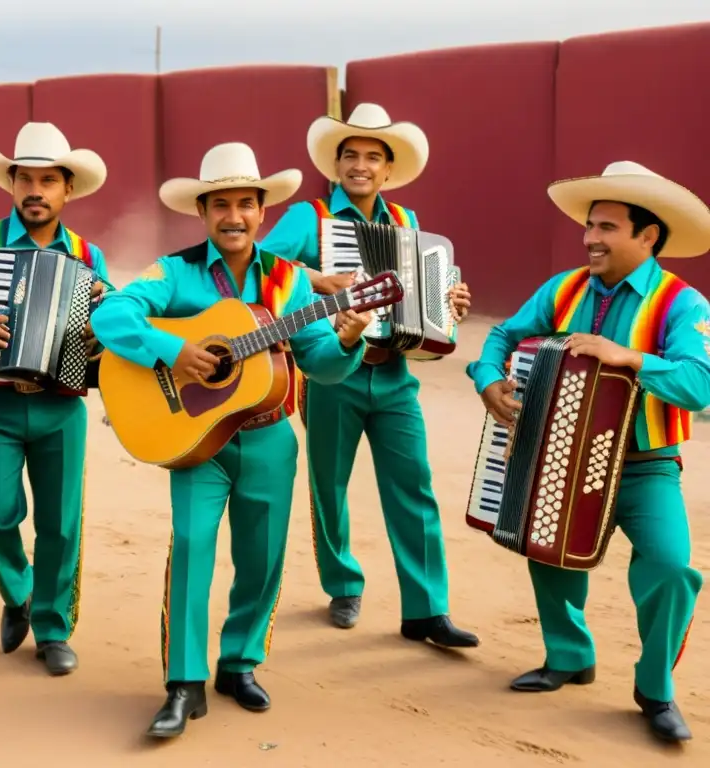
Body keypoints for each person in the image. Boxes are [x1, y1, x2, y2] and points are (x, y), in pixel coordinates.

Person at [90, 142, 374, 738]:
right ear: (203, 211)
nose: (234, 216)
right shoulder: (174, 272)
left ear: (262, 211)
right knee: (192, 549)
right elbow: (111, 317)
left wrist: (347, 338)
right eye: (221, 204)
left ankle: (240, 664)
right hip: (199, 440)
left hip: (270, 437)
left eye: (246, 203)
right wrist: (177, 350)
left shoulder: (293, 281)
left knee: (262, 558)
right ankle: (182, 684)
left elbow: (318, 361)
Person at [466, 160, 710, 743]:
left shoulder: (684, 304)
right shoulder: (563, 288)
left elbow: (699, 382)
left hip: (647, 466)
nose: (590, 238)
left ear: (648, 236)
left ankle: (655, 688)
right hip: (560, 454)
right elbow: (502, 335)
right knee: (544, 551)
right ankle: (570, 655)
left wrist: (632, 359)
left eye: (607, 228)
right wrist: (488, 378)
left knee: (671, 567)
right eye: (589, 226)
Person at [260, 103, 478, 645]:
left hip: (396, 375)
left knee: (414, 487)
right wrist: (317, 277)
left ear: (388, 169)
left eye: (372, 157)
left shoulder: (406, 224)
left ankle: (426, 611)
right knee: (328, 486)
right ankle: (343, 585)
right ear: (336, 165)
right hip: (334, 372)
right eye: (350, 155)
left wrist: (450, 301)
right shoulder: (309, 219)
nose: (360, 165)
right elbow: (260, 268)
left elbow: (427, 303)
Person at [0, 121, 114, 676]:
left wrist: (106, 310)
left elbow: (119, 322)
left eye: (48, 180)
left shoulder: (88, 255)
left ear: (67, 189)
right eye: (25, 178)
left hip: (61, 407)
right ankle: (20, 590)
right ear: (12, 184)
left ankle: (53, 630)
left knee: (60, 524)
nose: (36, 190)